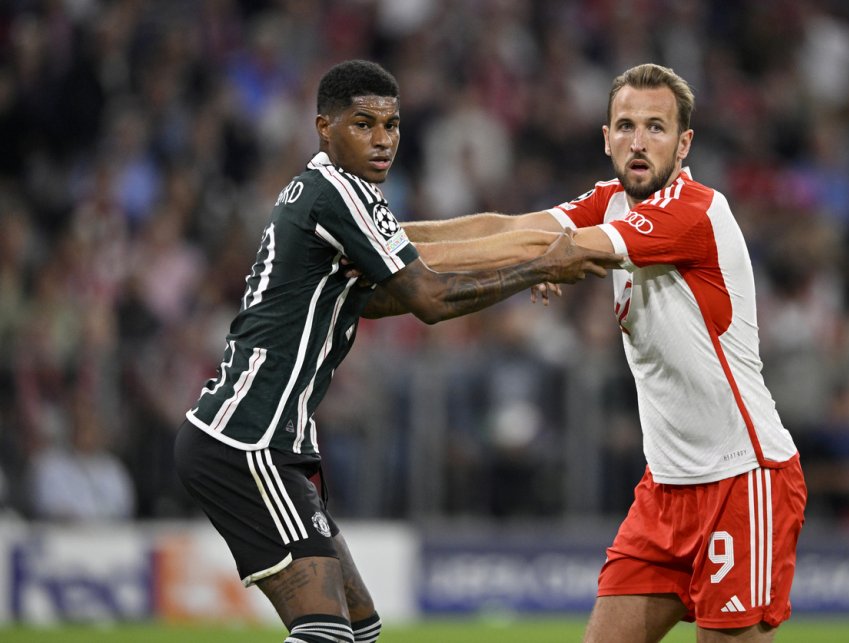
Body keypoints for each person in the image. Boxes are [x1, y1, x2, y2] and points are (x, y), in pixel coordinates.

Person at [173, 59, 620, 643]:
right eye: (364, 124)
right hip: (249, 437)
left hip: (263, 439)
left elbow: (400, 281)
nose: (382, 140)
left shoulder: (344, 196)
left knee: (360, 629)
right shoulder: (333, 192)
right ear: (324, 128)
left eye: (392, 124)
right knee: (326, 633)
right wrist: (538, 264)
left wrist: (528, 248)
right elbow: (428, 297)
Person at [402, 63, 807, 642]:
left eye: (655, 127)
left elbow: (556, 252)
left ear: (684, 142)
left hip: (742, 479)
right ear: (606, 137)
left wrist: (545, 258)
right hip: (666, 489)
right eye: (625, 125)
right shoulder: (611, 201)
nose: (637, 142)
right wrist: (386, 233)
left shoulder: (692, 211)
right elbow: (513, 226)